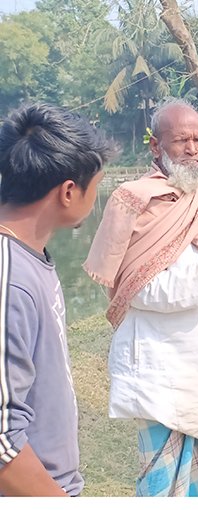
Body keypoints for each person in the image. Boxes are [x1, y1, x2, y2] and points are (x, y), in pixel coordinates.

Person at [85, 100, 198, 496]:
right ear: (156, 146)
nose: (192, 149)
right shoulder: (132, 200)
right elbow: (139, 289)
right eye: (181, 141)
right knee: (164, 480)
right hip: (161, 364)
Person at [0, 104, 115, 497]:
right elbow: (2, 439)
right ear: (68, 192)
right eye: (95, 187)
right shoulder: (9, 278)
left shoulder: (30, 259)